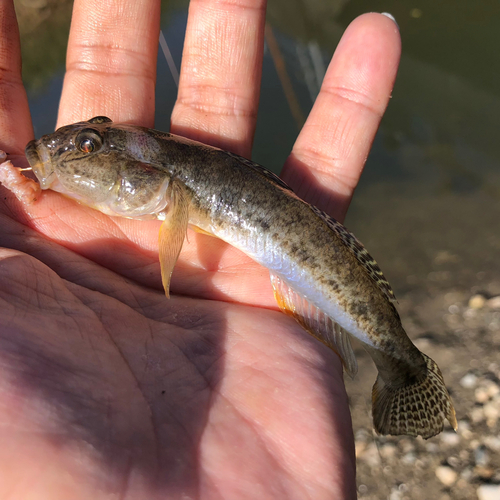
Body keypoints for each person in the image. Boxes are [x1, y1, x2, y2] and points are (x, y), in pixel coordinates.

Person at [0, 0, 400, 498]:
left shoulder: (168, 180)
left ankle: (400, 362)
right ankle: (397, 358)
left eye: (87, 146)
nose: (70, 153)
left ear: (153, 175)